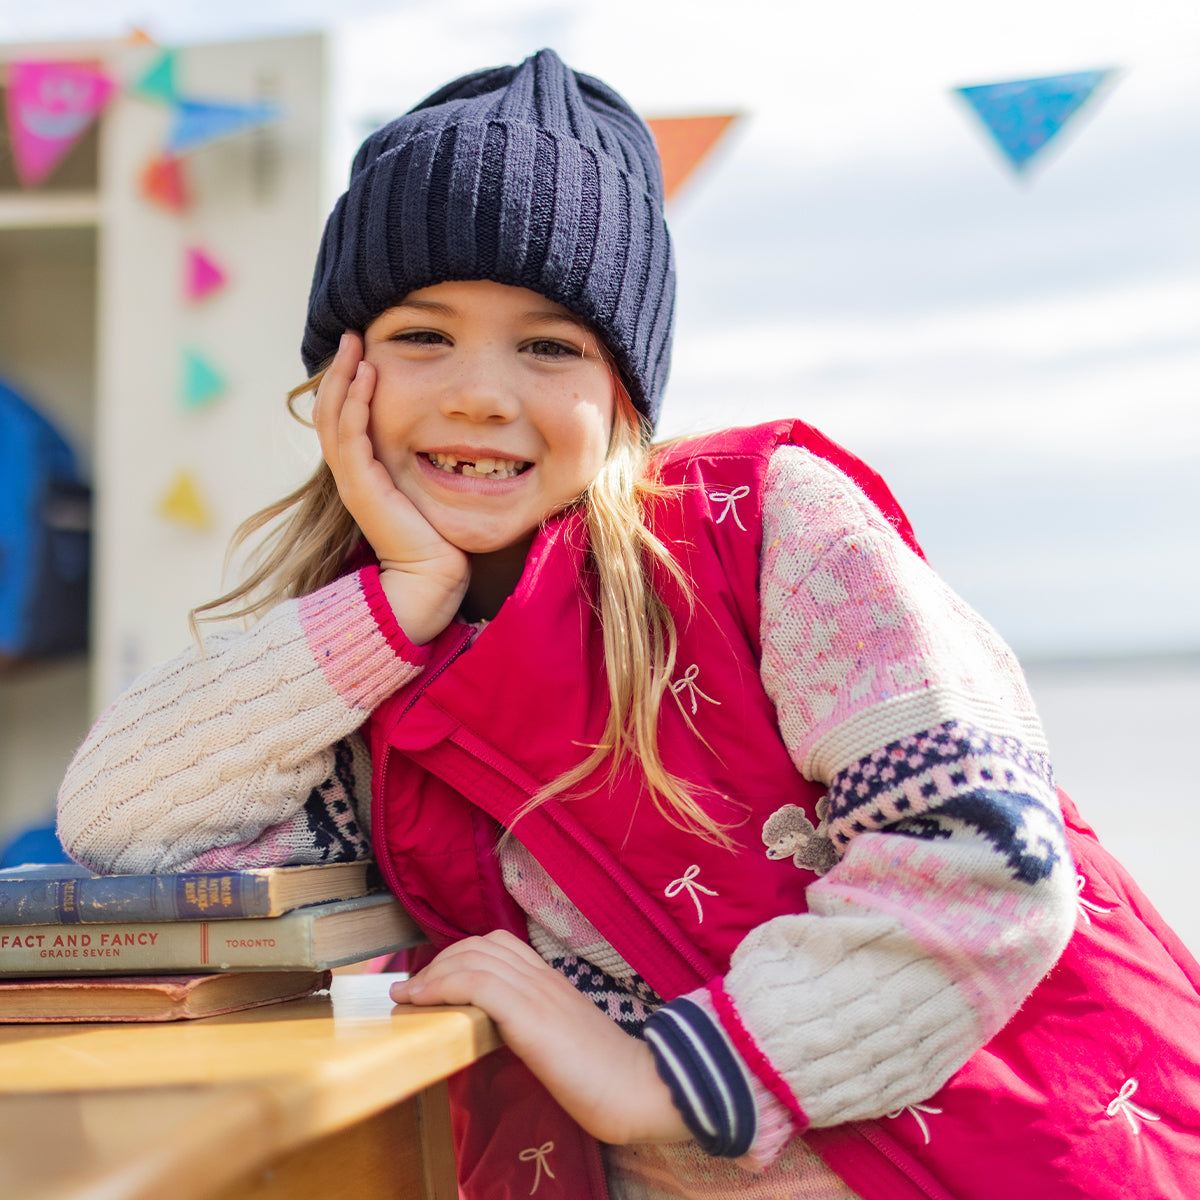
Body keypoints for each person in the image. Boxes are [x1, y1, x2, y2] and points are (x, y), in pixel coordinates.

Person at [57, 49, 1200, 1200]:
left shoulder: (766, 529)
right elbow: (119, 821)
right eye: (421, 334)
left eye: (549, 345)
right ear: (340, 376)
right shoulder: (366, 668)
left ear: (627, 392)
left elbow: (983, 857)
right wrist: (399, 597)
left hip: (1033, 1160)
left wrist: (664, 1081)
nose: (479, 393)